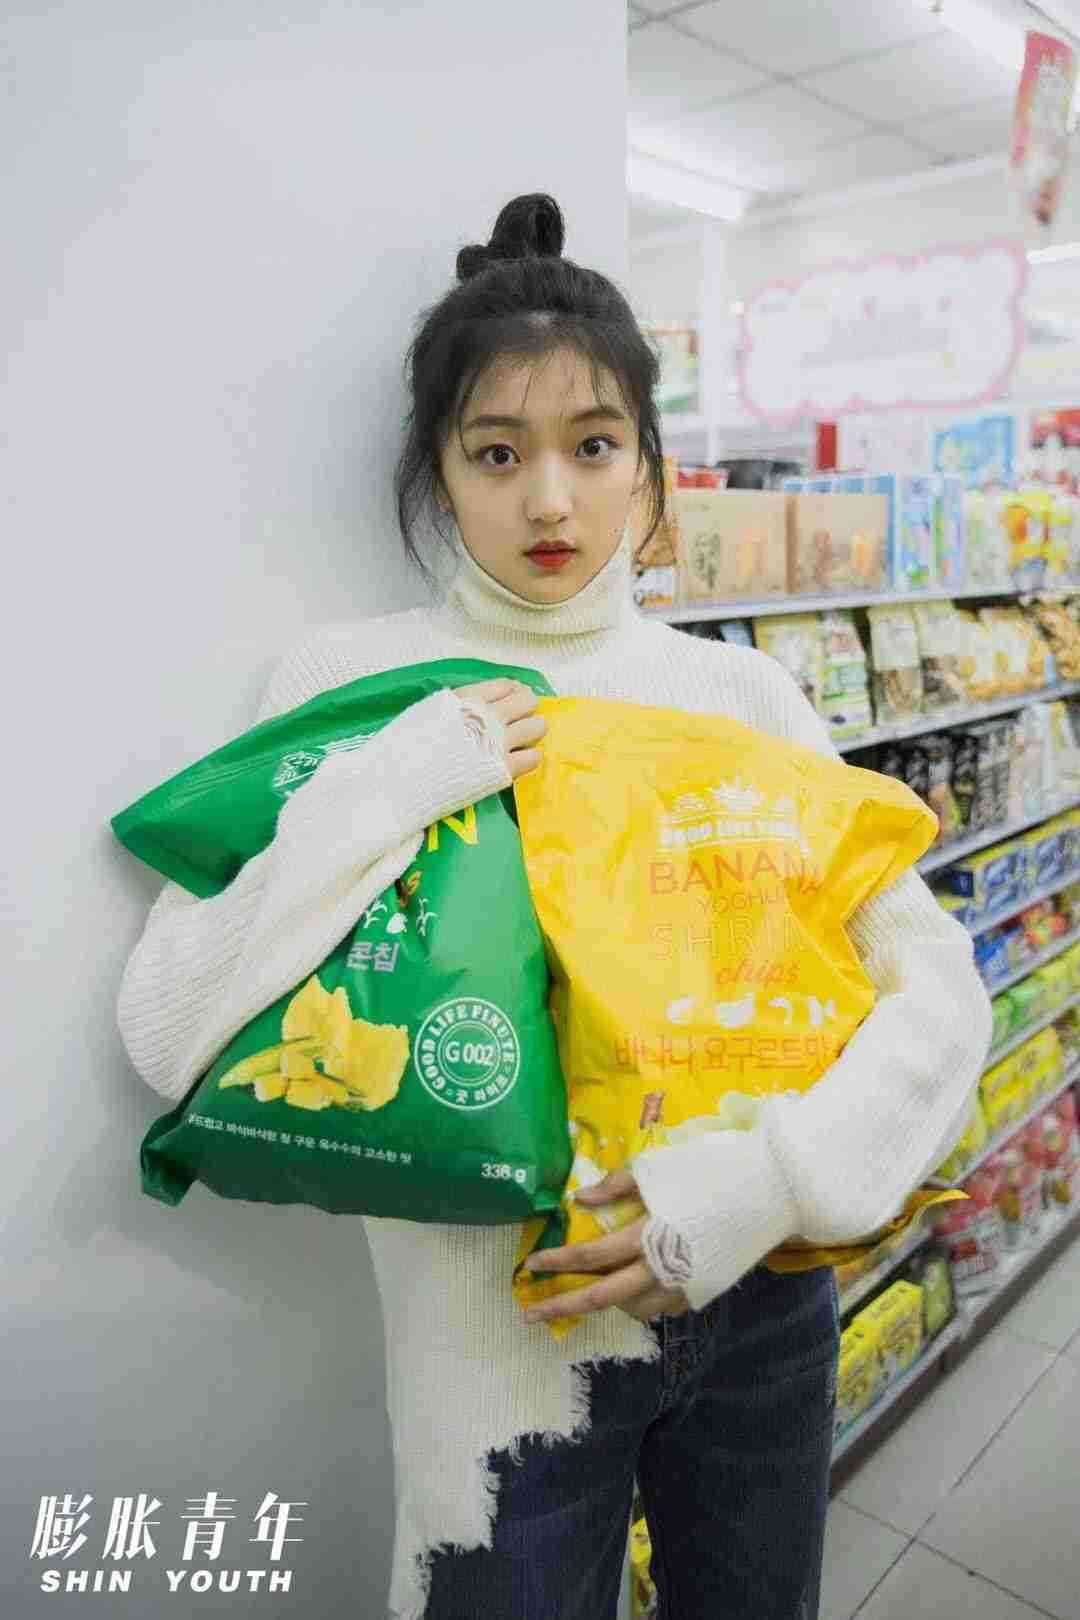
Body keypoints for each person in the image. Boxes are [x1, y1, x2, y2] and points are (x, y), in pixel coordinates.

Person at [116, 192, 993, 1620]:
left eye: (592, 447)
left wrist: (770, 1181)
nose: (548, 502)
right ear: (438, 472)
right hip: (498, 1371)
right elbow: (166, 1027)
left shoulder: (744, 697)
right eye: (496, 452)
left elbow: (937, 986)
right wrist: (391, 782)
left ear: (649, 467)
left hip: (760, 1304)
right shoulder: (356, 690)